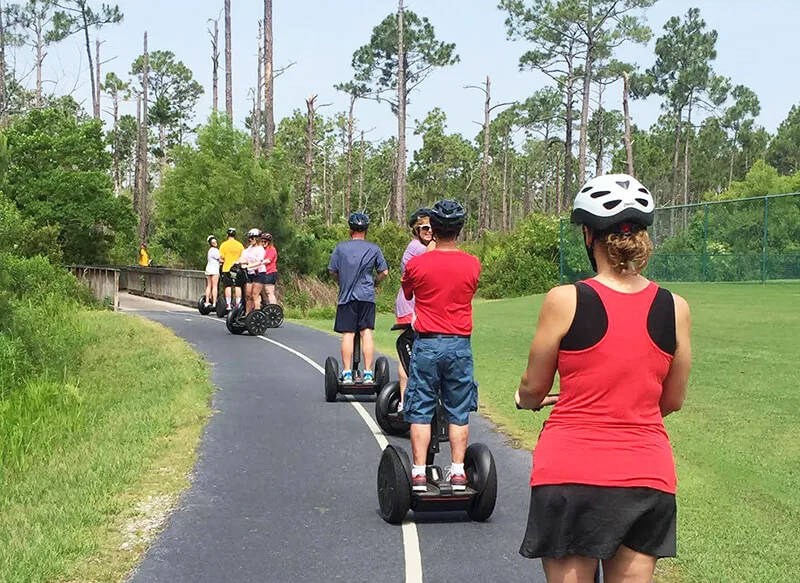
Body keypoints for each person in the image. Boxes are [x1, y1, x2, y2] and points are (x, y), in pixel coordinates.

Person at [515, 174, 692, 583]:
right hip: (645, 474)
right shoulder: (674, 307)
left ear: (588, 234)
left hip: (569, 472)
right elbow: (672, 400)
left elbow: (534, 388)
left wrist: (526, 399)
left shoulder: (564, 299)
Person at [401, 199, 481, 493]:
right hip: (459, 344)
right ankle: (458, 473)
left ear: (432, 228)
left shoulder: (416, 264)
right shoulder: (472, 264)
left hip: (427, 344)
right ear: (459, 230)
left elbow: (408, 293)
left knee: (421, 406)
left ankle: (419, 474)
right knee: (459, 408)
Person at [328, 212, 389, 385]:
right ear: (366, 230)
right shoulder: (374, 248)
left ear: (350, 230)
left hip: (347, 297)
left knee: (348, 333)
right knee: (366, 332)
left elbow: (332, 271)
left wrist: (341, 281)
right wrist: (375, 283)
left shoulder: (341, 248)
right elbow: (384, 272)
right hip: (367, 297)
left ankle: (347, 373)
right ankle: (368, 373)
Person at [394, 207, 435, 412]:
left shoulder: (424, 246)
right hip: (409, 304)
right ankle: (405, 401)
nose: (429, 231)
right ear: (416, 230)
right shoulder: (417, 248)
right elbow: (435, 256)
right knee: (408, 353)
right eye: (424, 227)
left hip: (421, 304)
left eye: (432, 227)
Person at [239, 228, 267, 315]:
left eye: (252, 238)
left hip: (259, 273)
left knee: (255, 295)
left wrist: (248, 266)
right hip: (250, 273)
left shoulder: (260, 249)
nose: (250, 240)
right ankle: (247, 315)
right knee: (248, 296)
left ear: (257, 238)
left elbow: (259, 262)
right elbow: (243, 258)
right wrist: (238, 262)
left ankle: (256, 314)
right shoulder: (248, 249)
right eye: (249, 238)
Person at [219, 228, 245, 311]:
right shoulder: (239, 245)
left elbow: (221, 258)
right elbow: (243, 256)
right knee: (237, 286)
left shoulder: (224, 245)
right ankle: (238, 304)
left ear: (227, 235)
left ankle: (228, 304)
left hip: (227, 268)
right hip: (237, 268)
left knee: (228, 286)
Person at [259, 232, 279, 305]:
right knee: (261, 292)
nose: (263, 243)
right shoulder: (261, 250)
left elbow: (268, 260)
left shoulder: (271, 249)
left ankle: (273, 307)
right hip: (262, 273)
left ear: (269, 242)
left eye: (265, 241)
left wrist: (257, 263)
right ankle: (265, 306)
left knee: (269, 292)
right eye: (262, 241)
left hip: (270, 272)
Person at [204, 235, 221, 309]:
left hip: (208, 269)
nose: (215, 243)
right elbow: (220, 259)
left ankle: (207, 302)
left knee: (208, 286)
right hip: (214, 269)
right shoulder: (215, 250)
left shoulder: (209, 251)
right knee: (215, 286)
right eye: (214, 242)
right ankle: (214, 302)